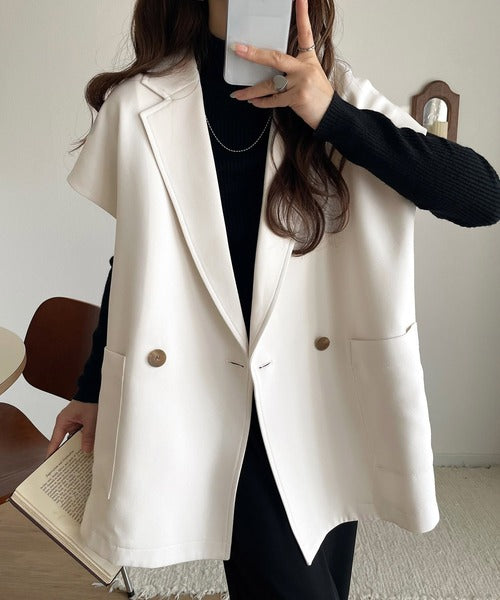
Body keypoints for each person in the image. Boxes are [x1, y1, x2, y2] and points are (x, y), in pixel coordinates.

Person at [46, 0, 500, 598]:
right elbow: (135, 259)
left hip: (323, 396)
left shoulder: (333, 95)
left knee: (326, 574)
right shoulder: (139, 105)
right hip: (211, 398)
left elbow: (482, 198)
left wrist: (331, 115)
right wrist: (92, 388)